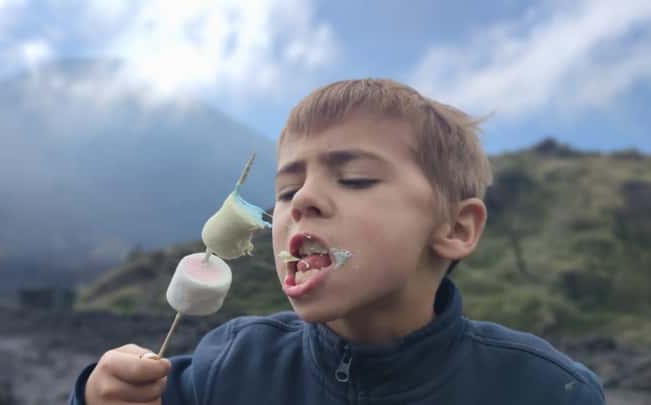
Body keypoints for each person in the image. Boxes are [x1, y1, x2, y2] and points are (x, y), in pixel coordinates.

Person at [69, 79, 605, 404]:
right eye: (284, 190)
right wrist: (100, 395)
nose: (302, 200)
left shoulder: (546, 390)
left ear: (456, 229)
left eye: (355, 179)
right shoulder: (228, 364)